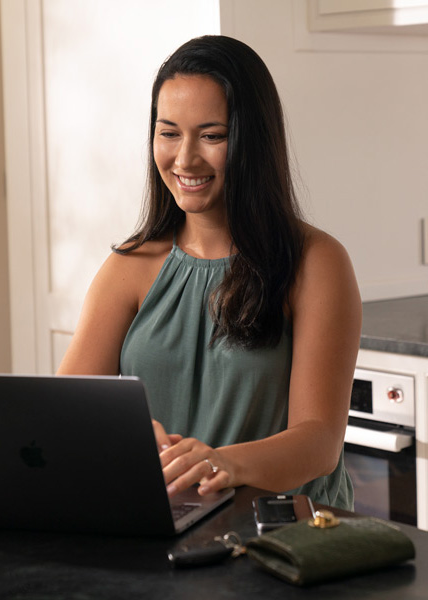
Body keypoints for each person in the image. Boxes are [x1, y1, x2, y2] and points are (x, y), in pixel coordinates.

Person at [57, 35, 362, 510]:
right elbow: (66, 410)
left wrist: (221, 463)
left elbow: (320, 442)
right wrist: (125, 430)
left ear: (252, 140)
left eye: (212, 135)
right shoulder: (130, 266)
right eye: (169, 132)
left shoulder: (317, 263)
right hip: (169, 522)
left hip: (284, 535)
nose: (184, 159)